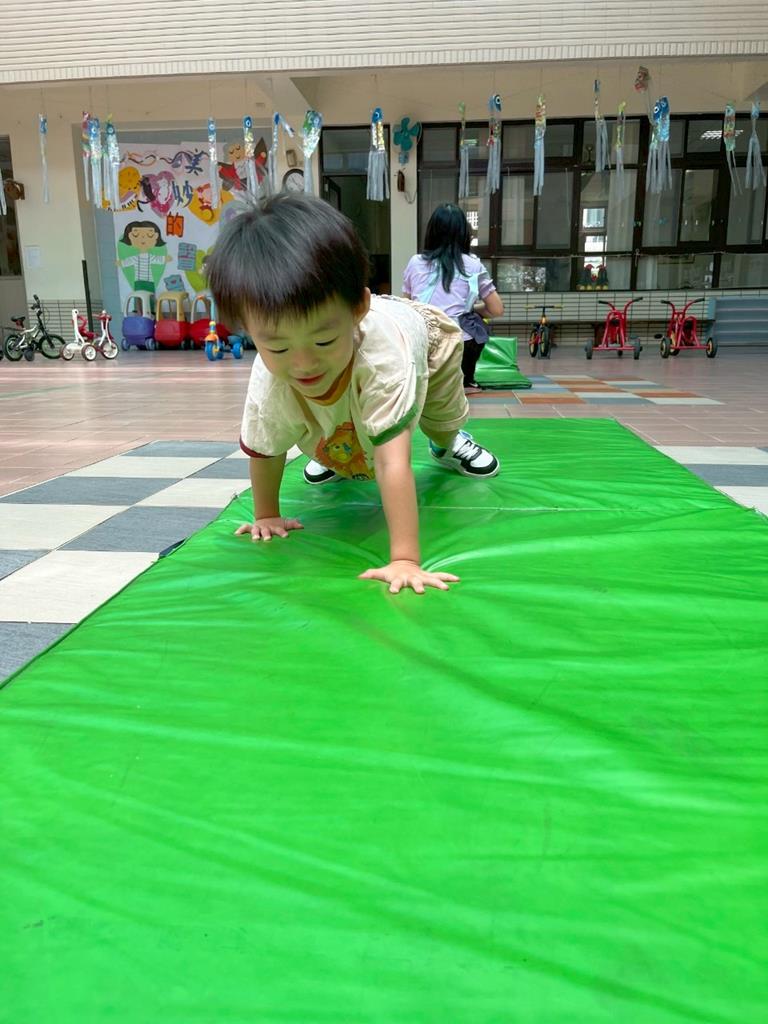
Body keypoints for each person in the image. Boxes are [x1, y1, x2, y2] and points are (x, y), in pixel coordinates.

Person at [205, 192, 500, 595]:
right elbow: (266, 447)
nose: (303, 363)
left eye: (323, 341)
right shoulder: (270, 374)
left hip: (426, 342)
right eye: (278, 347)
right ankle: (337, 454)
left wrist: (404, 559)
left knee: (438, 419)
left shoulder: (383, 359)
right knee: (320, 408)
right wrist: (267, 514)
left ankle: (449, 443)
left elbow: (392, 461)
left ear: (359, 307)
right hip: (363, 357)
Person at [402, 204, 504, 388]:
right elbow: (496, 309)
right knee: (475, 323)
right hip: (459, 347)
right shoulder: (473, 265)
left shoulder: (415, 262)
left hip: (423, 345)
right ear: (464, 234)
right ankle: (466, 379)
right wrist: (472, 310)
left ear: (431, 232)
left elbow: (407, 307)